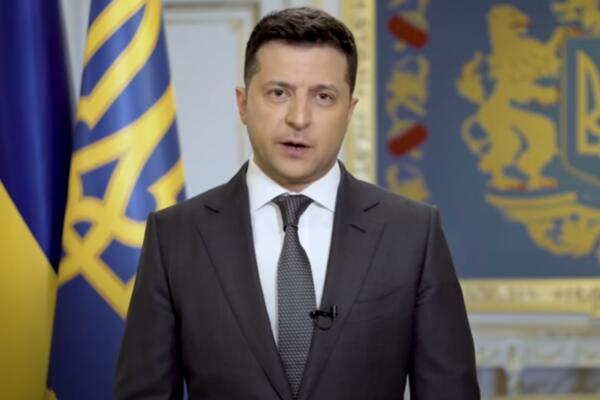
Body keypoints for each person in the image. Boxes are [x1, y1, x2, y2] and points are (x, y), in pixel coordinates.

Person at [113, 7, 480, 400]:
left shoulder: (412, 234)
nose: (299, 118)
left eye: (323, 97)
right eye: (278, 93)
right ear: (243, 104)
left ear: (349, 112)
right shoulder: (174, 236)